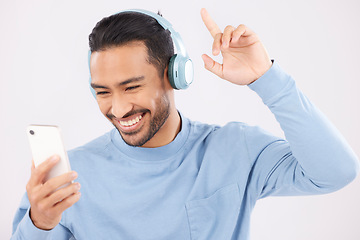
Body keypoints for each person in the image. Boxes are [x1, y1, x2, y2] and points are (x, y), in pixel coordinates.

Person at [11, 8, 359, 240]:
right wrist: (40, 224)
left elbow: (335, 171)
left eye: (132, 86)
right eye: (103, 92)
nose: (118, 108)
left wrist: (267, 78)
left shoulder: (235, 149)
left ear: (175, 75)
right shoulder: (70, 176)